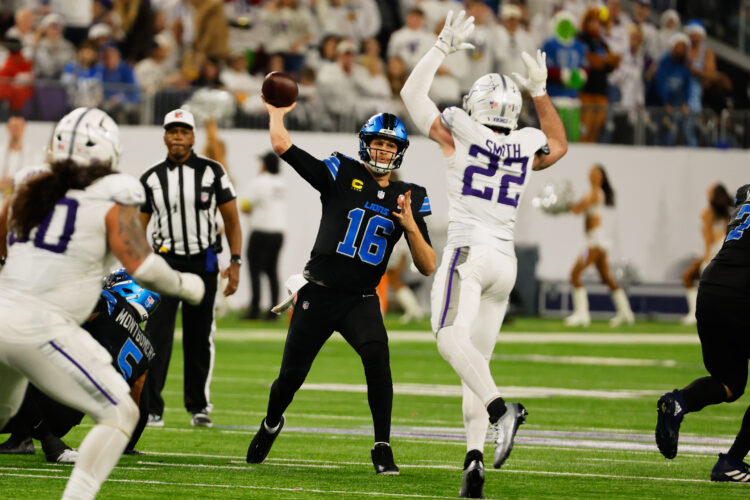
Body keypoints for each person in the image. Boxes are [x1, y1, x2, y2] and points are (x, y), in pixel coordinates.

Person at [400, 11, 568, 498]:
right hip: (504, 263)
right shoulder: (525, 143)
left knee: (447, 337)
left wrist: (440, 47)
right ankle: (474, 461)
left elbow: (411, 95)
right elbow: (558, 143)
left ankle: (501, 411)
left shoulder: (458, 131)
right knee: (476, 363)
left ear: (475, 104)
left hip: (469, 252)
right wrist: (541, 92)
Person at [0, 106, 204, 500]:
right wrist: (187, 285)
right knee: (119, 411)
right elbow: (143, 266)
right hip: (41, 326)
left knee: (4, 413)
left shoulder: (28, 185)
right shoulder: (112, 196)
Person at [245, 104, 436, 474]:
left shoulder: (408, 196)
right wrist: (276, 112)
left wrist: (411, 226)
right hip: (319, 293)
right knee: (290, 378)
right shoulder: (341, 172)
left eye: (391, 145)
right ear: (365, 144)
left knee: (378, 360)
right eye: (378, 142)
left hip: (360, 299)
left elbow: (428, 265)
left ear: (400, 151)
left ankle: (382, 445)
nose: (383, 150)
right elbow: (283, 146)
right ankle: (270, 423)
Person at [139, 108, 242, 428]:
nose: (178, 137)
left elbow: (231, 220)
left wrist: (235, 262)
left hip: (203, 261)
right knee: (156, 336)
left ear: (193, 136)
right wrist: (139, 266)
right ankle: (151, 407)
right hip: (165, 262)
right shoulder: (151, 177)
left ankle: (198, 406)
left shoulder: (212, 171)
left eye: (184, 131)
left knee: (200, 336)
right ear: (165, 136)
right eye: (172, 131)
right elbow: (138, 227)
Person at [0, 270, 161, 462]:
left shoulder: (109, 302)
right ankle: (25, 437)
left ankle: (39, 441)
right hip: (66, 418)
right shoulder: (146, 346)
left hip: (46, 399)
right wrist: (127, 446)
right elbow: (140, 405)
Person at [655, 183, 750, 482]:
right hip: (743, 291)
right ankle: (732, 462)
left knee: (729, 383)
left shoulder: (746, 192)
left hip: (711, 286)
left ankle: (678, 402)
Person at [564, 164, 634, 327]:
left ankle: (582, 314)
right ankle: (626, 313)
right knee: (606, 277)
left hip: (594, 244)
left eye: (596, 173)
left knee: (575, 274)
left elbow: (578, 209)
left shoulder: (596, 193)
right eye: (590, 172)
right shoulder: (590, 193)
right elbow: (577, 208)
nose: (592, 175)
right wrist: (566, 205)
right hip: (596, 242)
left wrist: (564, 204)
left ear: (601, 176)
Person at [241, 151, 286, 320]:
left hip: (260, 231)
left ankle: (254, 309)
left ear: (265, 165)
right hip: (278, 232)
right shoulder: (281, 183)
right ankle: (274, 310)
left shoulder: (259, 182)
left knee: (255, 271)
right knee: (272, 271)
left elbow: (245, 206)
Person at [680, 183, 732, 325]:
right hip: (713, 253)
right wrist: (707, 256)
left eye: (710, 193)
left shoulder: (729, 213)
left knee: (713, 282)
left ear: (717, 195)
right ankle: (695, 312)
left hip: (723, 253)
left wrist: (709, 256)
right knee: (689, 276)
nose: (707, 195)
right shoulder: (708, 214)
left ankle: (708, 313)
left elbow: (716, 237)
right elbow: (707, 239)